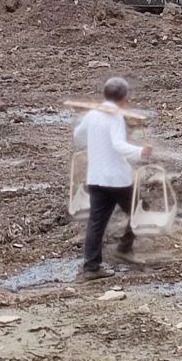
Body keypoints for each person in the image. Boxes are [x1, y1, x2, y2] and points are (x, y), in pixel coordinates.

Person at [74, 76, 153, 278]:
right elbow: (118, 144)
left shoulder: (93, 114)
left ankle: (91, 267)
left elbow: (78, 137)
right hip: (117, 179)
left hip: (96, 177)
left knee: (96, 222)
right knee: (140, 210)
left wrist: (96, 144)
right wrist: (140, 152)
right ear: (124, 97)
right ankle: (124, 248)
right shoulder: (115, 116)